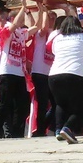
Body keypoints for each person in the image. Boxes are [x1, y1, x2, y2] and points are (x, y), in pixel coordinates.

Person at [0, 0, 40, 138]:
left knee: (22, 105)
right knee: (5, 103)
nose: (22, 21)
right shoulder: (4, 31)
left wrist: (41, 11)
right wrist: (23, 7)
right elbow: (15, 23)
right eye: (21, 18)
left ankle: (17, 132)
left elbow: (36, 28)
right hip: (7, 72)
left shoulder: (22, 34)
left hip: (19, 74)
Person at [48, 16, 83, 144]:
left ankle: (58, 131)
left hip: (54, 75)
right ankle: (68, 128)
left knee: (60, 104)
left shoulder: (57, 38)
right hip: (74, 75)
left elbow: (54, 52)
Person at [29, 9, 56, 137]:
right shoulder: (41, 33)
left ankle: (43, 127)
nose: (53, 20)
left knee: (56, 103)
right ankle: (39, 130)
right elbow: (43, 27)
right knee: (43, 102)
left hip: (51, 73)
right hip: (39, 72)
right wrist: (44, 10)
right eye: (51, 17)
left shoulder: (55, 34)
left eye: (55, 18)